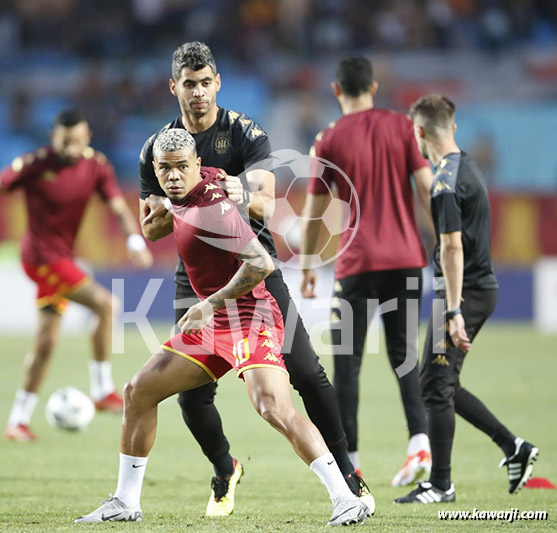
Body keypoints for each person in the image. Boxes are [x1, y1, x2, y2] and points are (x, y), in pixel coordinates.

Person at [75, 129, 370, 526]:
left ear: (197, 165)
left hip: (249, 317)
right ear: (156, 171)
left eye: (182, 168)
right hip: (213, 322)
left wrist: (208, 304)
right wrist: (166, 205)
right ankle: (126, 502)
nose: (175, 176)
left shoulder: (214, 208)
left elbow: (261, 264)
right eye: (166, 169)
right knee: (137, 391)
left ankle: (345, 497)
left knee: (273, 407)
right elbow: (163, 218)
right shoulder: (192, 188)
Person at [139, 41, 373, 515]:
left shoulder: (245, 134)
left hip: (254, 271)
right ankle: (225, 468)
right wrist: (176, 204)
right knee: (191, 397)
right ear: (174, 87)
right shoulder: (158, 148)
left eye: (206, 83)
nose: (199, 92)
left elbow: (270, 204)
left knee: (308, 373)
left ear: (218, 82)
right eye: (189, 84)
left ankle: (348, 473)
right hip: (197, 279)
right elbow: (149, 227)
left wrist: (238, 190)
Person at [394, 94, 538, 504]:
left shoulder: (443, 184)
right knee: (437, 382)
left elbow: (452, 248)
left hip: (463, 294)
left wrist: (453, 310)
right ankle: (514, 447)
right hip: (472, 290)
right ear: (453, 127)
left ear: (419, 132)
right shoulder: (467, 164)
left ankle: (442, 485)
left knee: (435, 388)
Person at [300, 55, 433, 487]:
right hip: (407, 258)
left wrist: (306, 263)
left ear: (336, 91)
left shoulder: (328, 139)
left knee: (347, 363)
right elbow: (429, 188)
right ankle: (419, 443)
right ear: (373, 87)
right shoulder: (402, 127)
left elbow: (315, 215)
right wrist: (446, 239)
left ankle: (349, 460)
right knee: (404, 353)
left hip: (357, 265)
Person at [1, 109, 153, 442]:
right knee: (107, 305)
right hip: (40, 259)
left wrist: (133, 240)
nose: (71, 147)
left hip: (62, 259)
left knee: (45, 344)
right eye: (64, 140)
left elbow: (117, 208)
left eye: (77, 140)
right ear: (54, 138)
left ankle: (17, 422)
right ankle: (101, 391)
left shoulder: (96, 166)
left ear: (87, 137)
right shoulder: (34, 165)